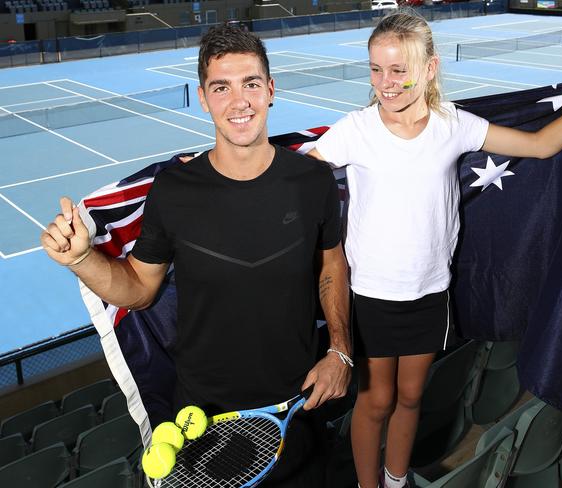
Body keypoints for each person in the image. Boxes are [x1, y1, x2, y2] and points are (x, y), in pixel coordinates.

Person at [308, 10, 562, 488]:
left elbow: (539, 146)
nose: (385, 83)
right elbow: (295, 182)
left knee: (411, 397)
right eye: (375, 69)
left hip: (430, 291)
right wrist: (222, 163)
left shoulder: (453, 125)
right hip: (371, 295)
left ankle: (396, 479)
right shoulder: (356, 129)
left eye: (398, 69)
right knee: (376, 402)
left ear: (429, 68)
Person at [40, 25, 352, 487]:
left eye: (250, 83)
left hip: (297, 405)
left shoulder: (312, 181)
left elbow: (332, 264)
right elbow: (141, 291)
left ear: (271, 90)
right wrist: (82, 260)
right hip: (203, 418)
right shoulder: (173, 190)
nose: (239, 101)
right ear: (204, 99)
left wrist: (341, 352)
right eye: (221, 87)